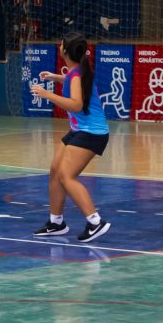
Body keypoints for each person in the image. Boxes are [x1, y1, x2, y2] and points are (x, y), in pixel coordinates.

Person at [30, 32, 112, 243]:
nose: (59, 46)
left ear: (65, 51)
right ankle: (56, 223)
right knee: (55, 170)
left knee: (67, 176)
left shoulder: (77, 74)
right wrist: (55, 77)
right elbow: (72, 81)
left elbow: (76, 104)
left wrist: (47, 94)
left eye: (61, 44)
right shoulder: (78, 71)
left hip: (91, 132)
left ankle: (95, 222)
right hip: (80, 129)